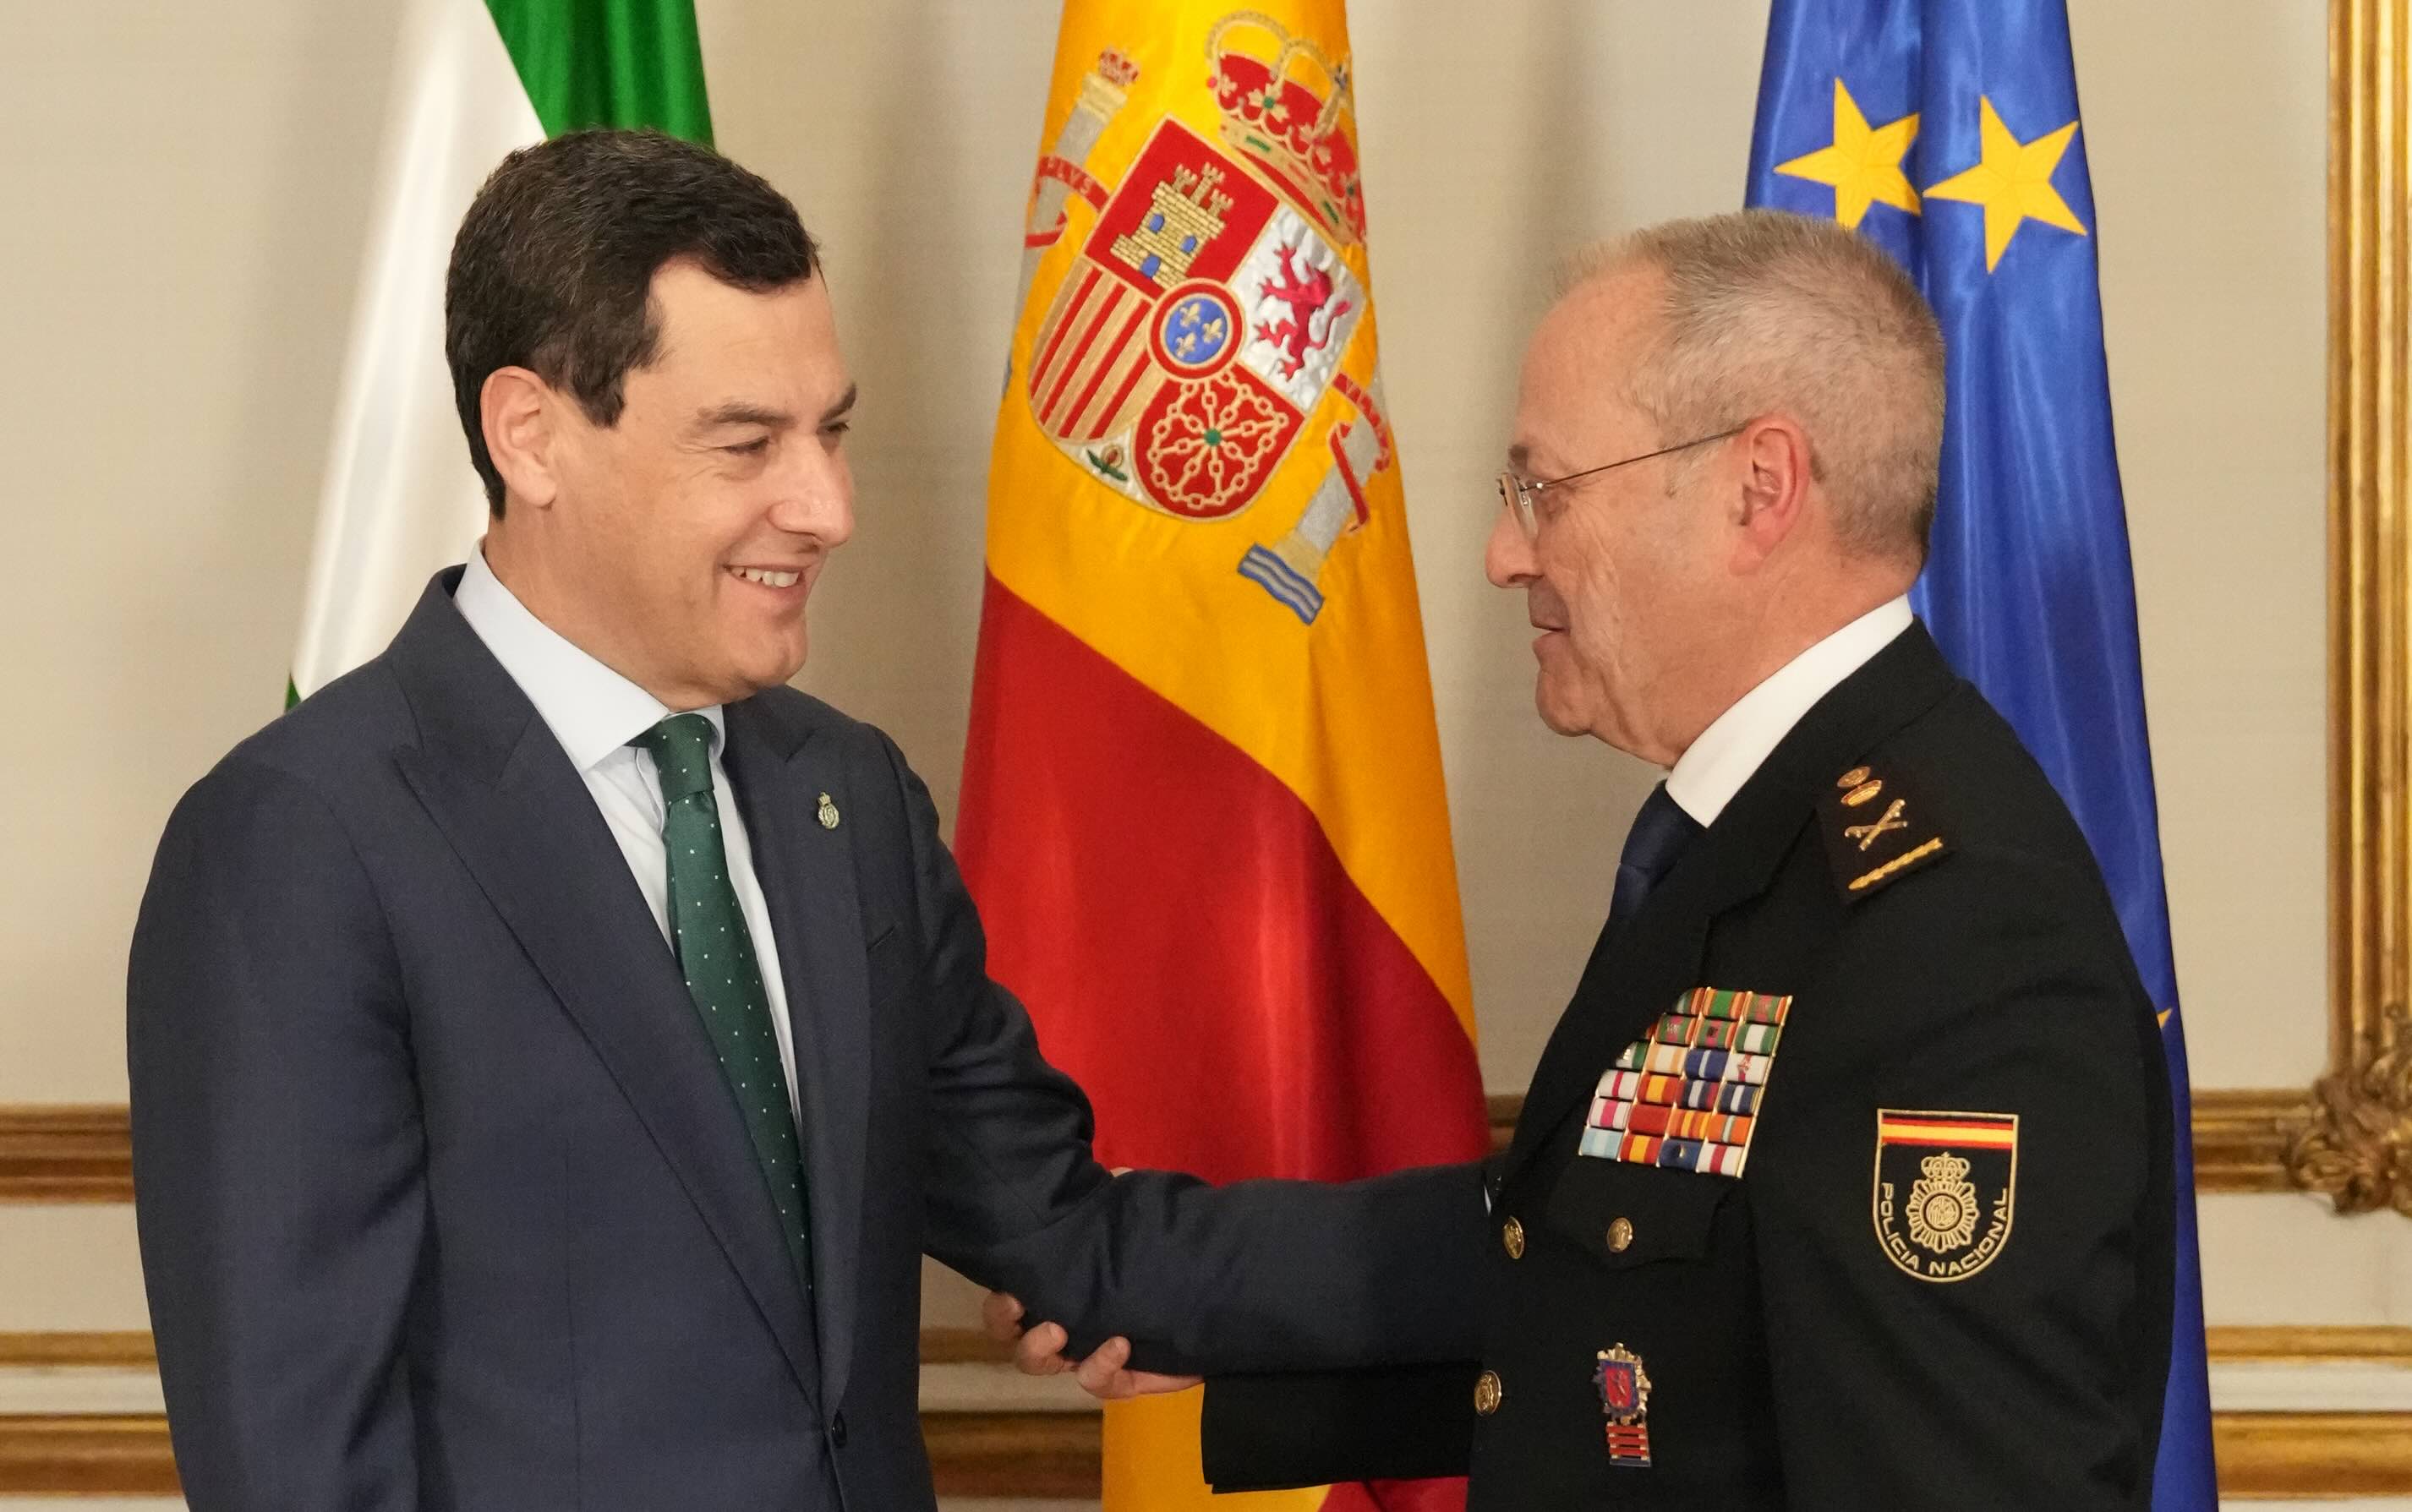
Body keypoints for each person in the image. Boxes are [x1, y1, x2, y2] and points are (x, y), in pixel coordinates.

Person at [129, 128, 1477, 1512]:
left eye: (829, 430)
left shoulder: (845, 795)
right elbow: (299, 1467)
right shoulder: (303, 839)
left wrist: (1549, 1232)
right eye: (746, 443)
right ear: (529, 433)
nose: (825, 506)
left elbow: (1069, 1238)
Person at [989, 210, 2178, 1509]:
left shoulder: (1945, 926)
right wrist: (1137, 1273)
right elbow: (1597, 1275)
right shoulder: (1769, 836)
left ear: (1756, 488)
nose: (1506, 553)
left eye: (1543, 489)